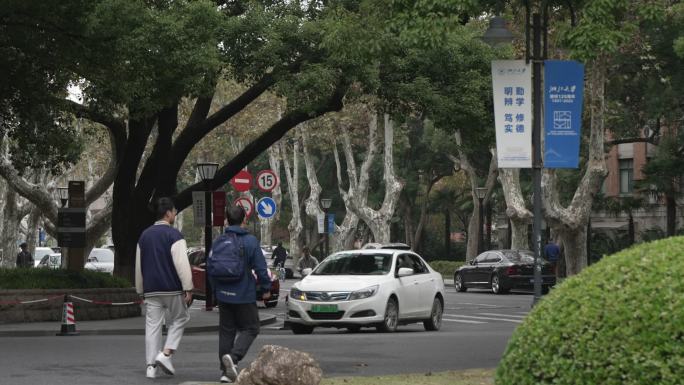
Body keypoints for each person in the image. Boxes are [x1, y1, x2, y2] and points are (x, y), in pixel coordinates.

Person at [210, 205, 271, 384]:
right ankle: (234, 358)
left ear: (227, 220)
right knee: (252, 328)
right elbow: (261, 268)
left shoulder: (218, 241)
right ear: (244, 219)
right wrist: (266, 288)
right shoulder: (251, 241)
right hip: (244, 293)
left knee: (226, 332)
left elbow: (211, 269)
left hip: (223, 294)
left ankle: (225, 372)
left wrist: (215, 291)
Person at [135, 197, 193, 379]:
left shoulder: (144, 236)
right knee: (181, 317)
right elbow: (182, 264)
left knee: (152, 326)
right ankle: (166, 354)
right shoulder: (174, 235)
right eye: (174, 211)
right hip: (172, 288)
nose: (175, 214)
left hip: (151, 289)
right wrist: (188, 288)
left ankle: (151, 366)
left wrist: (140, 289)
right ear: (168, 213)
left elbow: (139, 266)